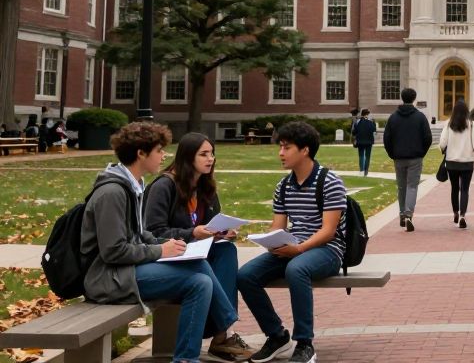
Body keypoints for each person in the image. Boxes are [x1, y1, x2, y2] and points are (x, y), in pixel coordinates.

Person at [82, 122, 238, 363]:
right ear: (141, 154)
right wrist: (159, 250)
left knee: (200, 280)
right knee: (199, 275)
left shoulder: (132, 186)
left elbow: (141, 234)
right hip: (109, 278)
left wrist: (169, 247)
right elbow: (113, 251)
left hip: (127, 270)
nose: (164, 156)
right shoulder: (112, 193)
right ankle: (224, 325)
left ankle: (186, 358)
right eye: (158, 150)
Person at [238, 121, 347, 363]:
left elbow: (329, 231)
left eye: (286, 147)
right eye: (280, 147)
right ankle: (276, 335)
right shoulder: (284, 186)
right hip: (294, 247)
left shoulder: (329, 181)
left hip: (327, 250)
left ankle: (305, 344)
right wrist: (271, 241)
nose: (280, 153)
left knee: (296, 269)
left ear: (305, 150)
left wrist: (298, 249)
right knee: (245, 276)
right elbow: (278, 226)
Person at [143, 132, 249, 361]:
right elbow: (153, 232)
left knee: (226, 250)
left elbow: (210, 225)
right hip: (168, 255)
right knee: (202, 268)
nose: (210, 159)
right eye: (203, 154)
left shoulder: (205, 186)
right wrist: (192, 233)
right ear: (188, 157)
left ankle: (221, 334)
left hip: (195, 252)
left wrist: (221, 233)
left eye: (212, 153)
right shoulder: (164, 186)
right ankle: (224, 328)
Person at [382, 87, 431, 232]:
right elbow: (427, 137)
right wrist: (422, 152)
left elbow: (387, 138)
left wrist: (392, 153)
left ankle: (402, 213)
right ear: (414, 98)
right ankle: (408, 213)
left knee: (401, 186)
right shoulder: (420, 117)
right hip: (415, 157)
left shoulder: (393, 117)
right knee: (412, 186)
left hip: (399, 157)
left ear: (402, 98)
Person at [439, 98, 474, 228]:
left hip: (452, 161)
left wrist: (444, 150)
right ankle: (463, 214)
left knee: (454, 188)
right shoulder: (472, 124)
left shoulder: (449, 123)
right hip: (467, 161)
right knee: (465, 189)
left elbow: (442, 143)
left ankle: (455, 212)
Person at [352, 109, 376, 177]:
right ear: (367, 114)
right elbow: (374, 129)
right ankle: (366, 171)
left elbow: (354, 132)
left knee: (361, 156)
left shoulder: (358, 121)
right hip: (369, 141)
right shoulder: (371, 121)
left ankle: (361, 170)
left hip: (360, 141)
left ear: (362, 114)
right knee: (367, 157)